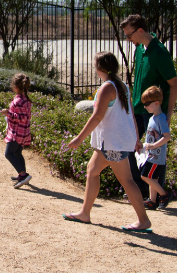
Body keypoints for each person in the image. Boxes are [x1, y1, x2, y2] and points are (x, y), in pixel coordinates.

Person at [63, 52, 152, 233]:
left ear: (99, 68)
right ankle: (85, 213)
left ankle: (143, 221)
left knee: (127, 180)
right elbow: (130, 114)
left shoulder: (107, 88)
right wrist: (136, 138)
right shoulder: (122, 86)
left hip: (112, 143)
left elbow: (97, 117)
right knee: (92, 171)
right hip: (113, 142)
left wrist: (79, 138)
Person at [120, 14, 177, 196]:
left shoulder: (160, 53)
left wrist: (167, 115)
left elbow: (174, 84)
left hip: (153, 111)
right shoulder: (139, 49)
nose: (128, 39)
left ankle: (157, 194)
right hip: (137, 107)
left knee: (155, 151)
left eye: (129, 35)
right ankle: (139, 187)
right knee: (130, 144)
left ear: (140, 30)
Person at [139, 86, 172, 210]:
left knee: (145, 176)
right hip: (151, 154)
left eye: (147, 104)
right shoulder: (152, 118)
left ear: (156, 103)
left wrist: (153, 145)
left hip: (157, 156)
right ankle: (152, 201)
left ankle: (164, 194)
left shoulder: (161, 118)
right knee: (152, 178)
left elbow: (167, 136)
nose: (145, 106)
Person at [0, 73, 33, 188]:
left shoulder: (19, 101)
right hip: (23, 132)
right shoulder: (25, 99)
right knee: (18, 153)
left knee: (8, 153)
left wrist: (8, 113)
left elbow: (22, 118)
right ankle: (22, 174)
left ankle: (23, 175)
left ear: (15, 87)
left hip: (17, 132)